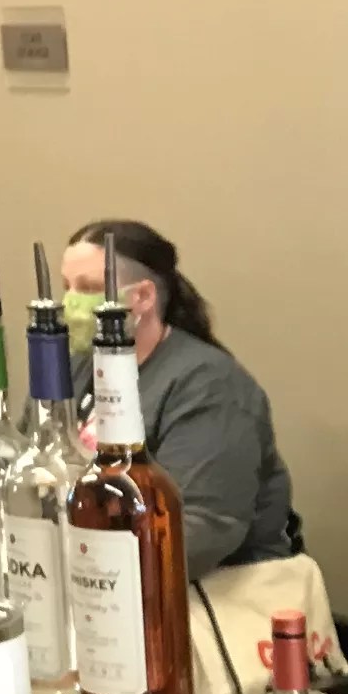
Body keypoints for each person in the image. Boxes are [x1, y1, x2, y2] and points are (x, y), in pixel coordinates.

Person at [59, 218, 300, 576]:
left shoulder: (210, 385)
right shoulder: (76, 367)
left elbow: (202, 529)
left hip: (205, 583)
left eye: (89, 288)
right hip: (93, 570)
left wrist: (86, 569)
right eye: (66, 287)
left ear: (143, 296)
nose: (70, 303)